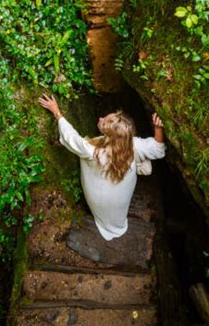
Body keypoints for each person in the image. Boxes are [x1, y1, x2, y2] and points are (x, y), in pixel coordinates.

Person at [38, 94, 166, 241]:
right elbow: (158, 149)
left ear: (110, 136)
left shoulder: (92, 151)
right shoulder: (131, 143)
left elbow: (71, 138)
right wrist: (158, 128)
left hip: (100, 200)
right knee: (140, 158)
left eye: (104, 122)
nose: (100, 119)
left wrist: (57, 112)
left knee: (86, 153)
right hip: (120, 204)